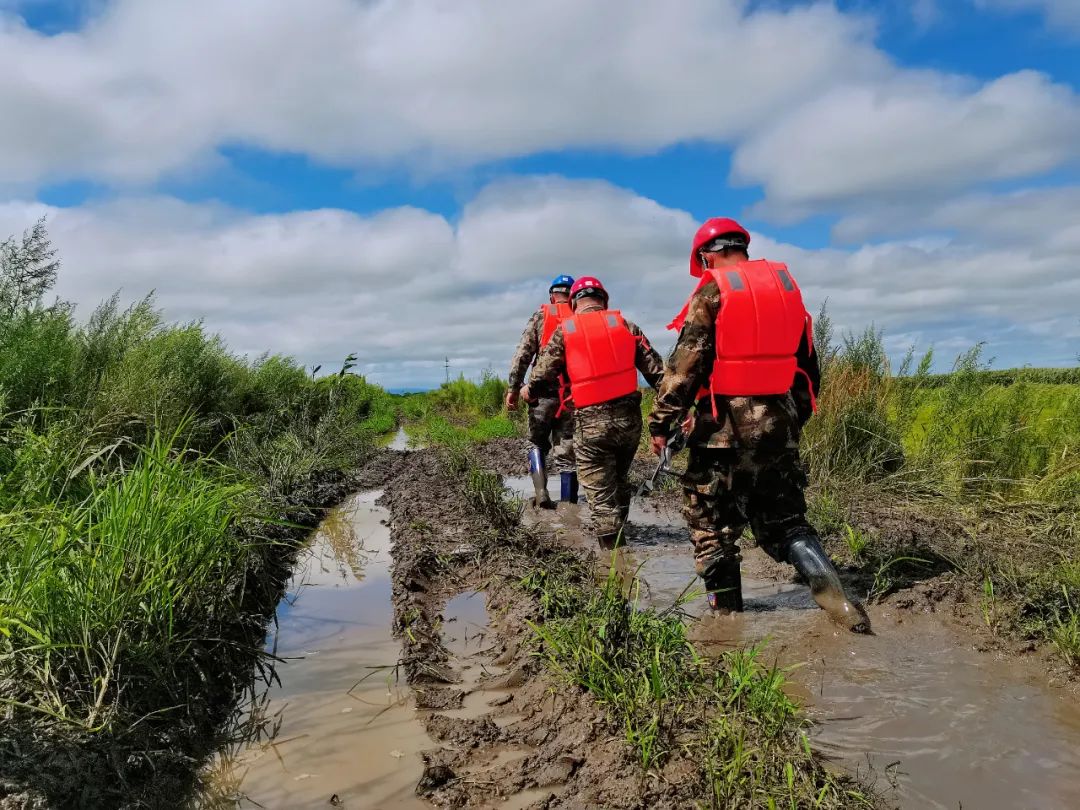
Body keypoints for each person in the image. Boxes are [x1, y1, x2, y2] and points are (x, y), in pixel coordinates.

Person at [647, 218, 869, 632]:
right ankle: (839, 604)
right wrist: (790, 421)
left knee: (712, 528)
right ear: (743, 248)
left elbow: (685, 367)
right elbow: (808, 369)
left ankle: (726, 625)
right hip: (779, 427)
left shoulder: (712, 291)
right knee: (786, 522)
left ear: (705, 256)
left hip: (722, 431)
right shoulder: (785, 291)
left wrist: (661, 423)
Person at [524, 276, 664, 549]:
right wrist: (672, 416)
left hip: (590, 424)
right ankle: (622, 535)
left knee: (600, 497)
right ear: (604, 301)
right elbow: (659, 375)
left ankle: (614, 561)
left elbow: (541, 374)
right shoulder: (627, 326)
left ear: (574, 303)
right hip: (629, 424)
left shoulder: (565, 331)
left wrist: (528, 390)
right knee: (619, 481)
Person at [506, 275, 578, 508]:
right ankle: (569, 504)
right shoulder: (580, 319)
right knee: (567, 451)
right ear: (573, 295)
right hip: (572, 396)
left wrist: (513, 388)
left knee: (535, 443)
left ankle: (541, 493)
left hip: (540, 395)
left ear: (552, 296)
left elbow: (523, 355)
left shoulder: (540, 316)